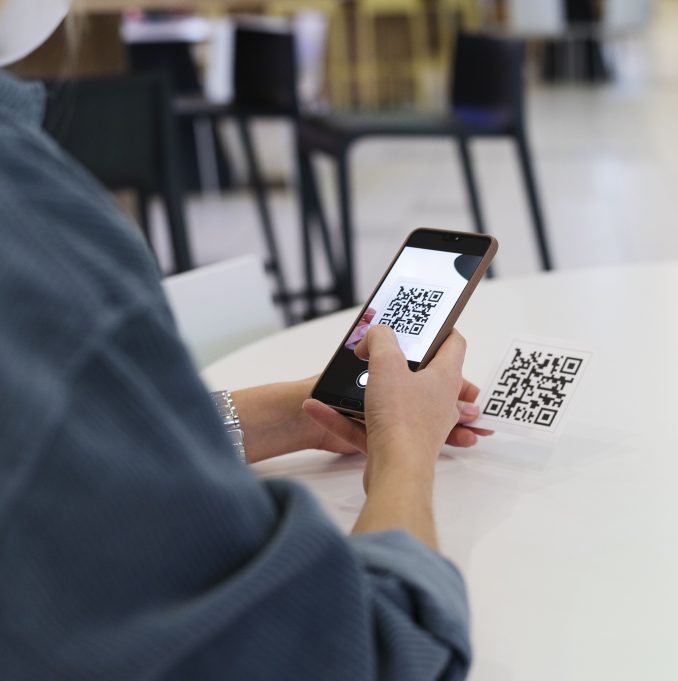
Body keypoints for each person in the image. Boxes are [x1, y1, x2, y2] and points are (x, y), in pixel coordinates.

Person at [0, 3, 490, 679]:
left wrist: (297, 414)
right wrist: (405, 451)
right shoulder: (37, 241)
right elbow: (351, 654)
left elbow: (81, 458)